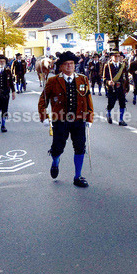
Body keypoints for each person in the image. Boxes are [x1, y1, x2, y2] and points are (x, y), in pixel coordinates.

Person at [38, 51, 94, 187]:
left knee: (80, 148)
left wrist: (89, 117)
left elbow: (88, 99)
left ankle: (77, 176)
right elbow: (42, 101)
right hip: (60, 120)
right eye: (66, 64)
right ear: (61, 67)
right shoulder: (53, 81)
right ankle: (55, 162)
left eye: (72, 64)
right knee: (57, 148)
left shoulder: (83, 79)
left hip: (79, 119)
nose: (70, 66)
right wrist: (44, 117)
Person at [103, 50, 129, 126]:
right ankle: (108, 113)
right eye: (115, 56)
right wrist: (108, 82)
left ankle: (121, 120)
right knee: (111, 104)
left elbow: (126, 77)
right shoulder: (107, 65)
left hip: (121, 88)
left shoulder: (122, 65)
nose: (117, 57)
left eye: (118, 56)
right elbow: (104, 78)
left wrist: (127, 87)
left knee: (122, 104)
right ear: (111, 57)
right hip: (112, 88)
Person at [0, 55, 16, 132]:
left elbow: (11, 82)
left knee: (5, 110)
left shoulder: (8, 71)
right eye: (0, 61)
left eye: (3, 62)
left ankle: (3, 125)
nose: (2, 63)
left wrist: (13, 92)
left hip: (5, 93)